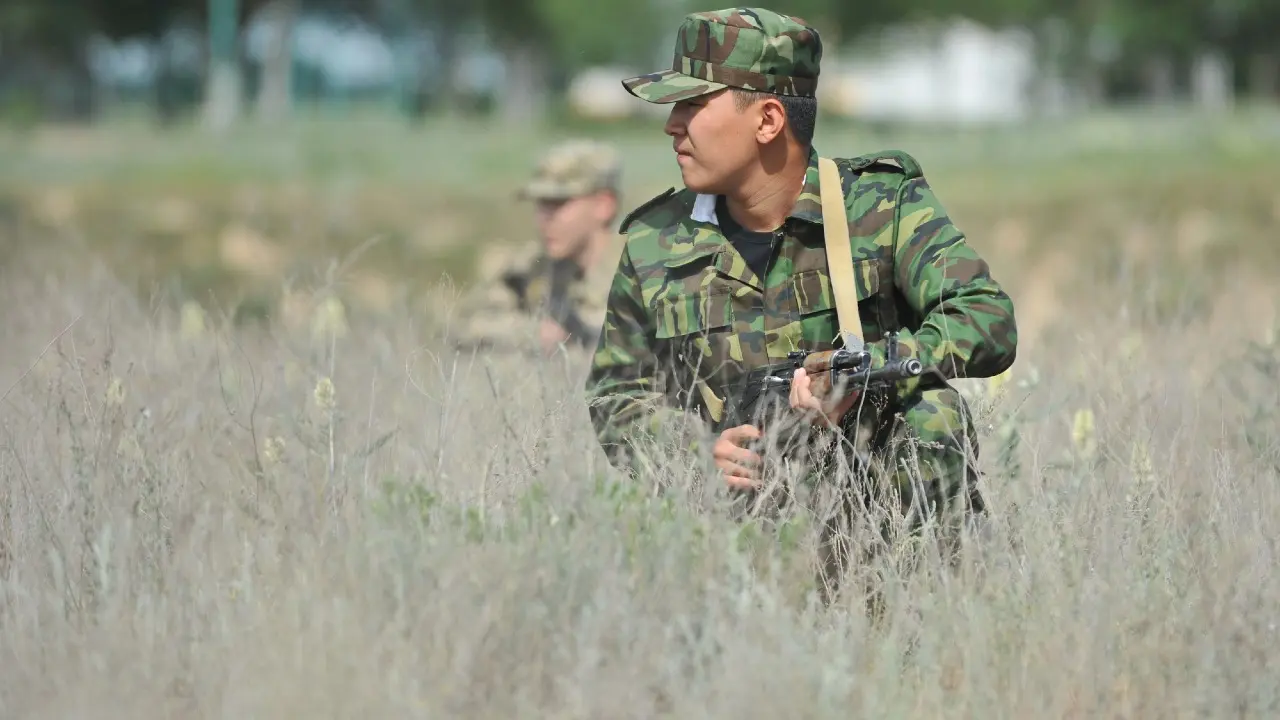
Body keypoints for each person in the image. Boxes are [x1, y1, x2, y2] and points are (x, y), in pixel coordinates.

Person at [582, 8, 1018, 602]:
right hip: (731, 522)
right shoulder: (656, 242)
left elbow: (987, 316)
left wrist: (864, 372)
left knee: (932, 414)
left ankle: (930, 616)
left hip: (870, 503)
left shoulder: (879, 206)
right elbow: (615, 394)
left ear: (768, 119)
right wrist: (695, 454)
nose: (672, 125)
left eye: (693, 104)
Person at [451, 139, 623, 357]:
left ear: (604, 205)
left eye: (558, 203)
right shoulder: (529, 268)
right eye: (541, 204)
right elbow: (462, 326)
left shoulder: (643, 271)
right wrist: (530, 333)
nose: (544, 219)